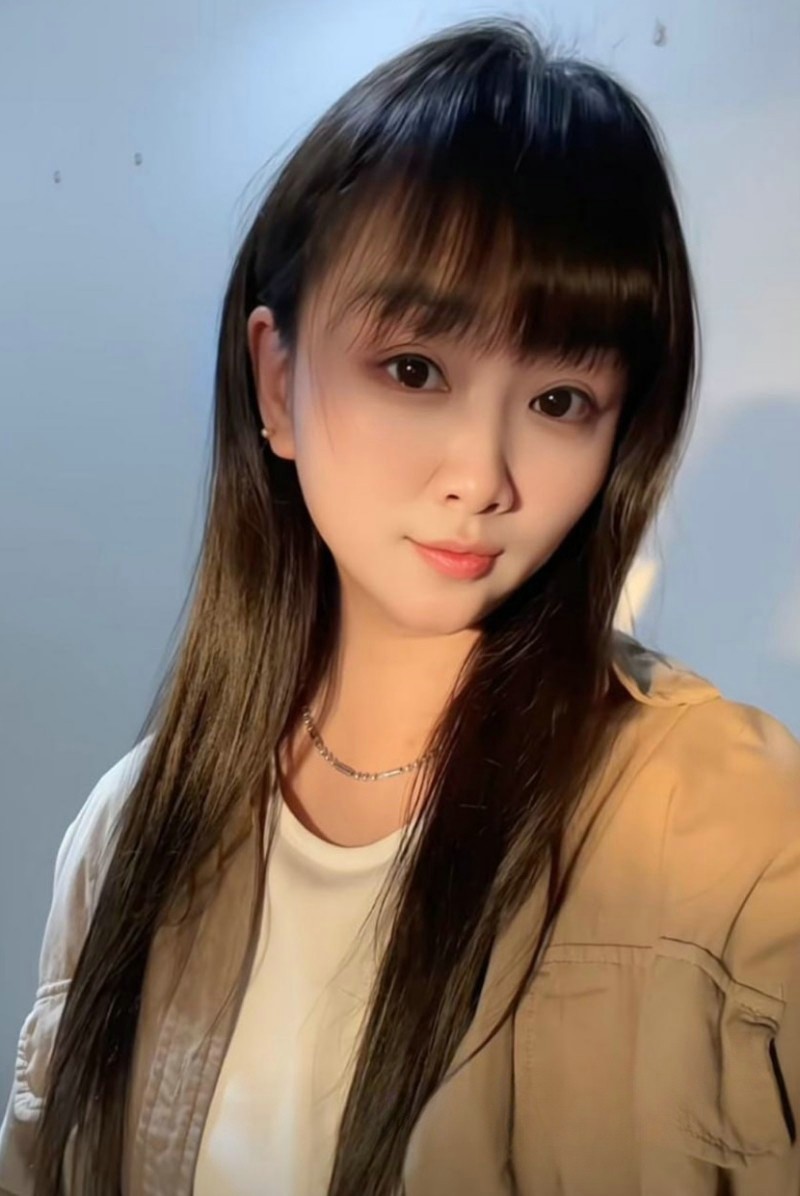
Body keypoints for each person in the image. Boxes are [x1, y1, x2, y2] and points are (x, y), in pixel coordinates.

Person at [2, 16, 799, 1196]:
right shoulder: (126, 835)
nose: (480, 476)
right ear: (277, 380)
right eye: (415, 369)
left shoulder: (732, 834)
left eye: (560, 399)